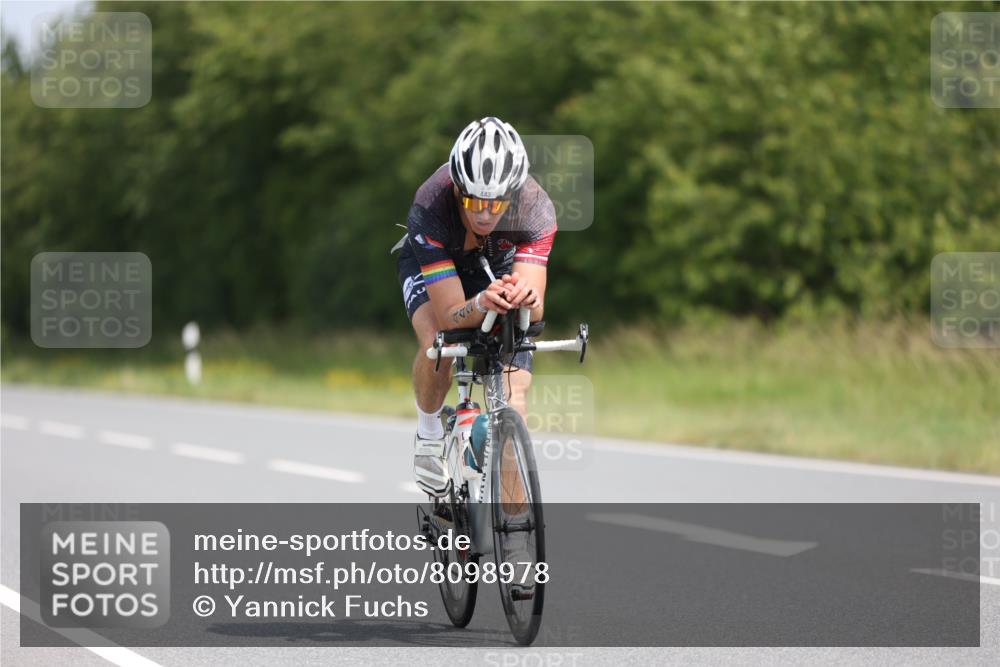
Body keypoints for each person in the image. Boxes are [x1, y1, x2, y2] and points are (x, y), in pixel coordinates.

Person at [393, 117, 557, 497]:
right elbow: (452, 316)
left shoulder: (536, 209)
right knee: (439, 343)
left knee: (515, 403)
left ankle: (516, 542)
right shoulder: (430, 206)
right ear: (457, 190)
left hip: (496, 265)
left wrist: (527, 301)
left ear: (513, 194)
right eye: (474, 202)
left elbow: (535, 308)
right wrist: (482, 302)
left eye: (496, 203)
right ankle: (430, 434)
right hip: (434, 261)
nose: (484, 214)